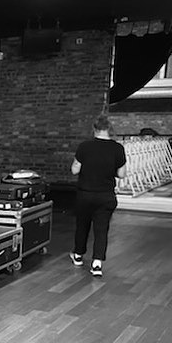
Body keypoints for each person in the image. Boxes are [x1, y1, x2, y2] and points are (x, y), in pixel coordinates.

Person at [69, 115, 127, 277]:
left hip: (85, 194)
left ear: (94, 129)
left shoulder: (84, 146)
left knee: (82, 225)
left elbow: (75, 170)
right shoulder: (117, 148)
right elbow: (122, 174)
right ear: (109, 129)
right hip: (106, 195)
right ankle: (96, 264)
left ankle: (78, 256)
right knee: (101, 229)